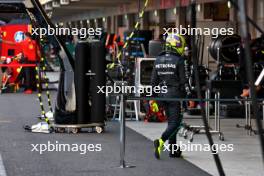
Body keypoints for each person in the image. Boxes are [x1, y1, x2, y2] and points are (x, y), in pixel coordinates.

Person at [150, 33, 190, 159]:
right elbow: (184, 81)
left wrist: (153, 99)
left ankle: (173, 150)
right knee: (175, 123)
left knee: (171, 122)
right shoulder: (179, 59)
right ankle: (160, 142)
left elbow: (153, 82)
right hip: (174, 96)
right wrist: (188, 98)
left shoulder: (158, 59)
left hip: (161, 95)